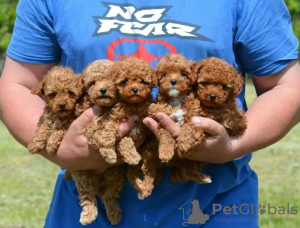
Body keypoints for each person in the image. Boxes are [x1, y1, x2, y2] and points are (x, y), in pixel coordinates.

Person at [0, 0, 299, 227]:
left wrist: (234, 146)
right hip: (88, 202)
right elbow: (17, 83)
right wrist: (64, 149)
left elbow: (287, 84)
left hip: (215, 206)